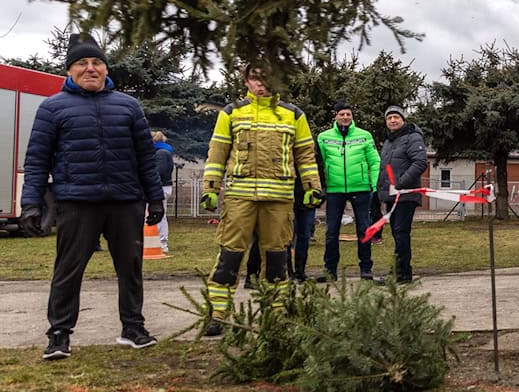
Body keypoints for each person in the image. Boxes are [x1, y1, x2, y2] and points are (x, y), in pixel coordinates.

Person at [19, 35, 164, 360]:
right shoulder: (52, 108)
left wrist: (155, 199)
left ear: (105, 68)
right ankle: (59, 335)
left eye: (96, 62)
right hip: (77, 203)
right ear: (69, 70)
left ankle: (133, 327)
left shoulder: (128, 106)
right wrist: (30, 203)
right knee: (68, 270)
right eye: (82, 63)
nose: (90, 68)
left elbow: (145, 156)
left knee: (130, 268)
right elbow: (37, 159)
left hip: (125, 202)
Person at [199, 63, 324, 336]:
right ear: (246, 81)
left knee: (277, 258)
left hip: (279, 199)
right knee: (229, 256)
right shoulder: (231, 113)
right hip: (238, 198)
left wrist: (312, 186)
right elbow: (217, 152)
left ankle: (276, 314)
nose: (261, 83)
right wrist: (210, 187)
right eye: (255, 77)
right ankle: (218, 313)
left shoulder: (294, 115)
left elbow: (305, 154)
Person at [317, 100, 380, 281]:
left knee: (364, 229)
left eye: (348, 114)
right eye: (341, 114)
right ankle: (330, 271)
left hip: (360, 188)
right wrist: (321, 186)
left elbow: (375, 162)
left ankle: (366, 269)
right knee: (331, 232)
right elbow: (318, 162)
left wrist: (374, 186)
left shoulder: (364, 135)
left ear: (352, 117)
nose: (345, 117)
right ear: (335, 116)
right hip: (335, 190)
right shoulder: (324, 137)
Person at [375, 105, 429, 283]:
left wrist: (400, 183)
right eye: (389, 118)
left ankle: (403, 274)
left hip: (405, 195)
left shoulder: (412, 138)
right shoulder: (389, 142)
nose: (392, 120)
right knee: (397, 234)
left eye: (396, 117)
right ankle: (400, 270)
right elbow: (385, 169)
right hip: (392, 196)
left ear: (403, 119)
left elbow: (420, 162)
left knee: (401, 233)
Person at [151, 131, 174, 254]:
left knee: (159, 214)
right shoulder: (165, 152)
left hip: (161, 187)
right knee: (161, 214)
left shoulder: (160, 154)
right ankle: (160, 241)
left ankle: (161, 242)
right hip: (164, 186)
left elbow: (158, 172)